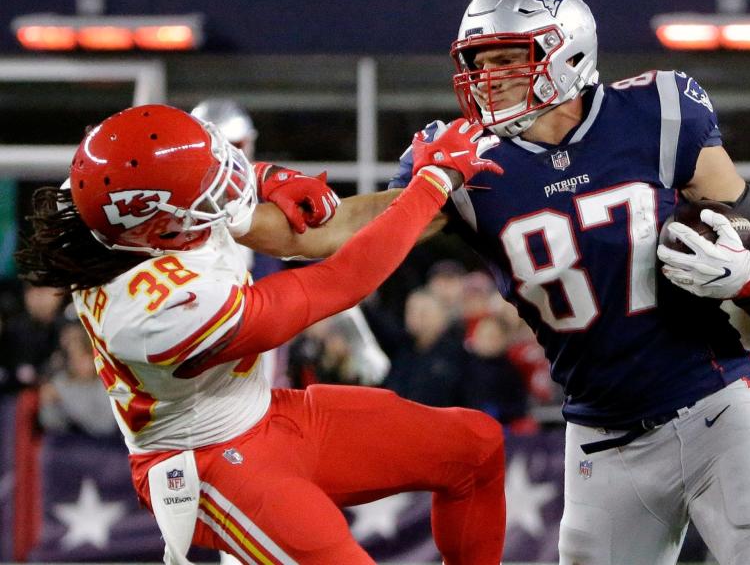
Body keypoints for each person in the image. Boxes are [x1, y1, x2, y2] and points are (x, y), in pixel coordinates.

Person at [240, 0, 750, 564]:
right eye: (477, 62)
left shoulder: (658, 112)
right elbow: (340, 232)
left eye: (506, 59)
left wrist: (748, 273)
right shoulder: (466, 161)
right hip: (602, 442)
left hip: (716, 407)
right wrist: (226, 207)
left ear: (567, 50)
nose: (484, 80)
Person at [15, 104, 507, 564]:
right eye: (207, 189)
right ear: (160, 230)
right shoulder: (156, 311)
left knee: (475, 448)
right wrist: (434, 182)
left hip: (264, 414)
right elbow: (340, 281)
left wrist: (264, 175)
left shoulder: (107, 200)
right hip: (212, 464)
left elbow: (167, 180)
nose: (225, 189)